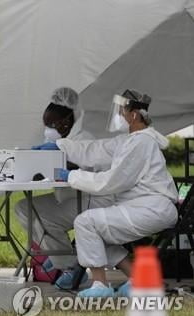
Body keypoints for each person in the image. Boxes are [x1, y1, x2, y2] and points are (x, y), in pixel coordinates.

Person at [54, 89, 178, 297]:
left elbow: (111, 182)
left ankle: (100, 286)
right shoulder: (130, 140)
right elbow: (95, 150)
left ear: (134, 115)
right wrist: (60, 146)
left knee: (86, 222)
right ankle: (137, 281)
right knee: (97, 231)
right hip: (142, 206)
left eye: (122, 111)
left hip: (152, 209)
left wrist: (71, 176)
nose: (118, 115)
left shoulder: (141, 143)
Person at [15, 87, 110, 289]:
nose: (47, 129)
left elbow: (83, 169)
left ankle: (69, 265)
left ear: (66, 123)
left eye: (51, 124)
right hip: (69, 197)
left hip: (92, 200)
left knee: (41, 215)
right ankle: (58, 255)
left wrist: (60, 162)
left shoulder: (85, 139)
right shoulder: (59, 141)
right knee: (24, 208)